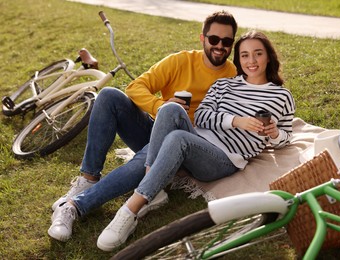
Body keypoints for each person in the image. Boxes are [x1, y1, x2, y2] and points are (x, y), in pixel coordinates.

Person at [96, 30, 296, 251]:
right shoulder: (224, 85)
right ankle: (152, 188)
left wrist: (275, 133)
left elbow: (286, 138)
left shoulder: (281, 96)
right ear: (238, 59)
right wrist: (236, 121)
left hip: (224, 159)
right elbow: (201, 116)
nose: (252, 61)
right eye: (245, 55)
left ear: (268, 56)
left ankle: (130, 209)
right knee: (170, 108)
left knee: (178, 138)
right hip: (198, 139)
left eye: (258, 54)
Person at [48, 11, 238, 242]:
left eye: (227, 42)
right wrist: (160, 106)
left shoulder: (234, 75)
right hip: (159, 125)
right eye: (214, 39)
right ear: (202, 38)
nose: (220, 46)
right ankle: (88, 179)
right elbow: (136, 87)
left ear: (232, 44)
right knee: (108, 95)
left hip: (189, 145)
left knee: (154, 151)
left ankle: (73, 207)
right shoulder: (180, 61)